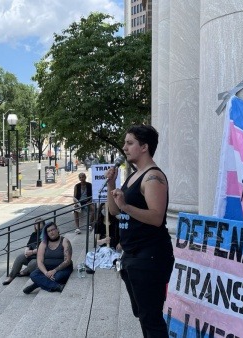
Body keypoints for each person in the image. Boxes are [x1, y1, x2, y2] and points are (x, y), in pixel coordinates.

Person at [106, 124, 174, 338]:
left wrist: (126, 206)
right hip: (132, 255)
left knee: (151, 318)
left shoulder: (154, 177)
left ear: (144, 147)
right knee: (143, 314)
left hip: (150, 256)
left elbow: (156, 217)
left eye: (130, 143)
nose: (124, 147)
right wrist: (110, 185)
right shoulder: (134, 175)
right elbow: (115, 211)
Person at [23, 221, 73, 294]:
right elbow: (39, 262)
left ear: (57, 230)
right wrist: (46, 273)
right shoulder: (44, 243)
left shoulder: (65, 241)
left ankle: (36, 284)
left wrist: (54, 271)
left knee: (57, 277)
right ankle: (57, 286)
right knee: (33, 274)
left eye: (53, 230)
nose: (51, 232)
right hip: (47, 268)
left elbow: (67, 261)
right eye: (49, 231)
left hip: (62, 269)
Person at [2, 218, 46, 285]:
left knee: (32, 263)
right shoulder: (34, 234)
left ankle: (24, 272)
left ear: (43, 225)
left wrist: (32, 252)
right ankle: (11, 277)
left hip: (39, 257)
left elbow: (44, 248)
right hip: (31, 254)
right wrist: (26, 252)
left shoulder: (45, 235)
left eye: (40, 223)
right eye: (36, 224)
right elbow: (28, 245)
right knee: (20, 257)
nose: (38, 225)